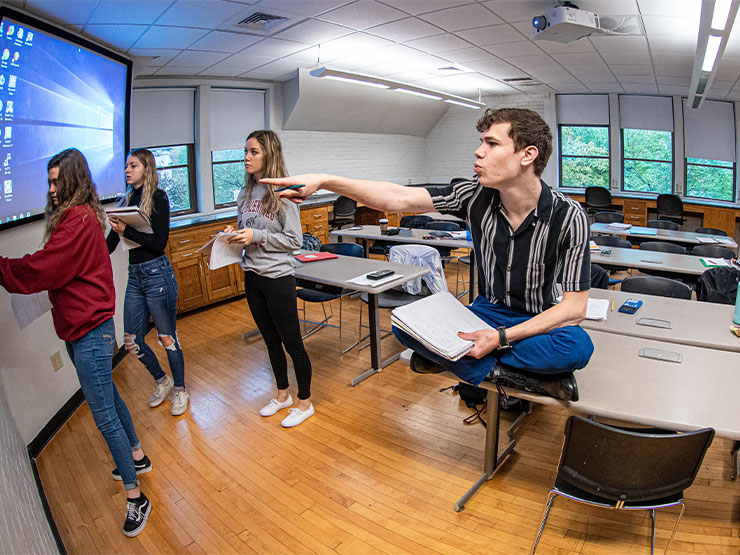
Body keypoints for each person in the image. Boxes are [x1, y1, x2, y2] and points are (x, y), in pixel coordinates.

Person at [263, 108, 594, 402]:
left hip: (537, 319)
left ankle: (458, 360)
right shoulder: (473, 196)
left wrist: (500, 338)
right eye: (481, 142)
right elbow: (397, 198)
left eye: (491, 144)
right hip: (487, 312)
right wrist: (325, 180)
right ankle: (511, 377)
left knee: (577, 347)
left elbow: (574, 308)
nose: (478, 152)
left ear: (527, 155)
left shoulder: (569, 217)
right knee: (404, 325)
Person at [0, 148, 152, 536]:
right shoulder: (84, 214)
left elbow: (40, 269)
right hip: (86, 329)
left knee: (103, 416)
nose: (51, 189)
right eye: (48, 182)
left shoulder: (76, 219)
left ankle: (137, 498)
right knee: (110, 399)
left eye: (56, 181)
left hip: (90, 334)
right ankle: (137, 457)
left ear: (71, 180)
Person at [225, 129, 315, 427]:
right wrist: (234, 235)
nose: (246, 157)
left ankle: (305, 402)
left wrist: (257, 235)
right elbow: (248, 230)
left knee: (292, 342)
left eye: (254, 152)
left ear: (269, 154)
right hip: (253, 277)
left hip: (278, 277)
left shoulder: (285, 192)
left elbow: (294, 241)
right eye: (246, 151)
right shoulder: (245, 193)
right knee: (270, 342)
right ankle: (282, 395)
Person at [107, 148, 188, 416]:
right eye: (126, 166)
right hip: (135, 277)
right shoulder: (125, 200)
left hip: (157, 275)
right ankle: (162, 381)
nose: (127, 170)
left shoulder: (158, 198)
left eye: (133, 165)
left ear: (146, 168)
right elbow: (109, 243)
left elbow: (158, 243)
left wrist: (126, 230)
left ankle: (180, 390)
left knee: (167, 338)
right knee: (132, 340)